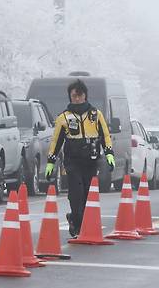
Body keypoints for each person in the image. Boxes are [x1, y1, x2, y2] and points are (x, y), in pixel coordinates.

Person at [45, 79, 114, 238]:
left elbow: (105, 135)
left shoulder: (95, 115)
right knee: (76, 193)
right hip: (72, 161)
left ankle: (75, 221)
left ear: (85, 96)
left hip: (90, 160)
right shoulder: (64, 117)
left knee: (87, 194)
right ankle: (79, 224)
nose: (77, 98)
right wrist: (51, 162)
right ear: (70, 97)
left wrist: (109, 153)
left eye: (80, 95)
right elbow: (56, 141)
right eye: (74, 95)